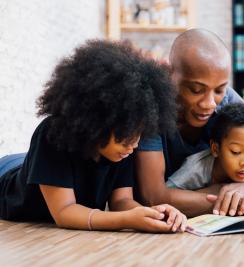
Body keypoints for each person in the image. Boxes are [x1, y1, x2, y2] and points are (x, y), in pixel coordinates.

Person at [0, 40, 187, 233]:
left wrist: (153, 214)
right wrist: (127, 220)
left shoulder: (123, 149)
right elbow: (64, 211)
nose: (134, 145)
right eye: (127, 136)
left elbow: (122, 201)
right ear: (98, 121)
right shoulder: (52, 135)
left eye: (139, 134)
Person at [135, 29, 244, 217]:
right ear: (170, 75)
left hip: (191, 199)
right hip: (174, 196)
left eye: (219, 90)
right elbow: (152, 196)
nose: (209, 103)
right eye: (196, 90)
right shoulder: (152, 106)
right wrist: (229, 197)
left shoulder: (228, 101)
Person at [166, 103, 244, 215]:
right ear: (216, 149)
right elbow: (165, 194)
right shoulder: (195, 168)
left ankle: (243, 207)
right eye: (236, 152)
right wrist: (212, 191)